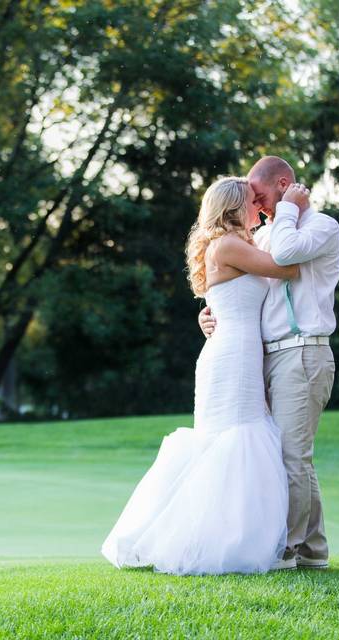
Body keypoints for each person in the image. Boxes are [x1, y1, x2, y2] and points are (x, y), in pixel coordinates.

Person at [100, 176, 301, 575]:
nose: (258, 206)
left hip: (234, 350)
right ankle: (228, 546)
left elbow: (230, 296)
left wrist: (206, 315)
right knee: (236, 441)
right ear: (232, 207)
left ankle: (237, 540)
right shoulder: (227, 245)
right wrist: (291, 210)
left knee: (234, 440)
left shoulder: (235, 244)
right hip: (232, 356)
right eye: (251, 201)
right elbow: (289, 267)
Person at [199, 156, 339, 570]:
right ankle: (313, 550)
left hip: (302, 350)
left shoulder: (320, 227)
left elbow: (287, 257)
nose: (259, 208)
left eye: (262, 197)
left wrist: (289, 210)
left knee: (292, 456)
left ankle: (289, 549)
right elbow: (235, 283)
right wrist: (210, 315)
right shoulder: (264, 235)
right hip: (262, 354)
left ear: (284, 185)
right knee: (292, 455)